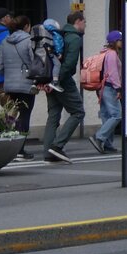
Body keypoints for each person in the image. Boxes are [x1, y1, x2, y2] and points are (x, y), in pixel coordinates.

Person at [41, 11, 87, 163]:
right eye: (84, 22)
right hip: (62, 81)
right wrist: (57, 80)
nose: (85, 25)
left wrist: (50, 82)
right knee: (78, 111)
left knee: (53, 114)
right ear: (78, 21)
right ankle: (57, 146)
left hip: (50, 79)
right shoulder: (74, 38)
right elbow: (69, 64)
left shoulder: (60, 35)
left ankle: (48, 152)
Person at [0, 14, 36, 160]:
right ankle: (19, 150)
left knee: (13, 114)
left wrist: (10, 74)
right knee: (25, 115)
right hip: (26, 84)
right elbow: (34, 63)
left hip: (10, 86)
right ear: (25, 27)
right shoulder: (29, 41)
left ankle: (7, 144)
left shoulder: (5, 41)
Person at [89, 30, 124, 154]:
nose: (122, 42)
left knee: (107, 116)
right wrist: (118, 88)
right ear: (115, 41)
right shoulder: (112, 54)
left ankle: (107, 144)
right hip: (109, 87)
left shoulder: (104, 53)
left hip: (102, 88)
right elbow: (113, 73)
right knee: (117, 115)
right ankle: (98, 137)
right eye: (120, 40)